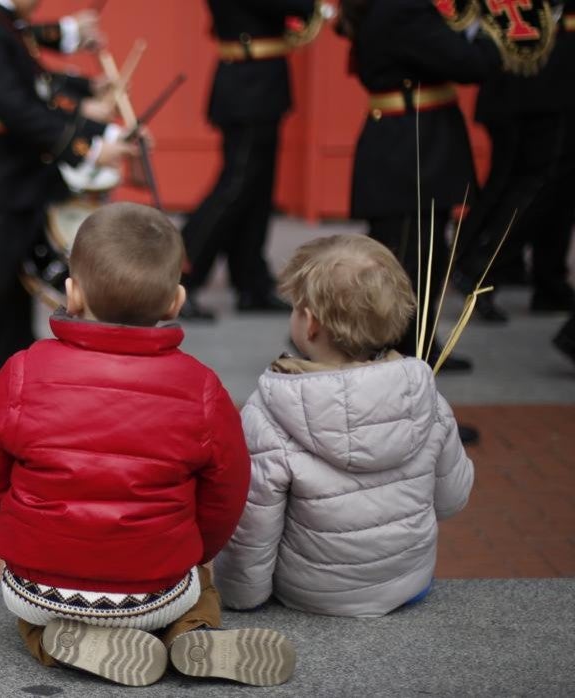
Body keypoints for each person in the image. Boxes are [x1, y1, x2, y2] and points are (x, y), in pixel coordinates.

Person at [0, 202, 294, 687]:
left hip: (43, 582)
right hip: (157, 587)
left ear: (71, 294)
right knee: (197, 585)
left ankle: (59, 642)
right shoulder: (201, 388)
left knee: (30, 613)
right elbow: (227, 490)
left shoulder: (21, 373)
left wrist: (10, 537)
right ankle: (188, 633)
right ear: (176, 301)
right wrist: (196, 550)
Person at [214, 234, 474, 617]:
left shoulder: (268, 411)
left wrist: (240, 597)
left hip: (312, 593)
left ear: (311, 323)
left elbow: (254, 527)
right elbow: (452, 499)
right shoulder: (425, 398)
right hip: (410, 582)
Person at [0, 0, 133, 385]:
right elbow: (17, 106)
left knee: (8, 315)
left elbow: (33, 86)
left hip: (6, 182)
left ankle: (9, 408)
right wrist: (88, 145)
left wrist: (92, 115)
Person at [338, 0, 502, 373]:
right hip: (412, 149)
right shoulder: (404, 9)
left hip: (409, 143)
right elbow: (468, 63)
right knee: (412, 261)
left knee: (418, 256)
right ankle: (409, 354)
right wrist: (489, 30)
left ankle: (418, 343)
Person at [179, 0, 319, 322]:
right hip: (249, 84)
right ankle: (180, 276)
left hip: (259, 80)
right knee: (236, 187)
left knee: (257, 190)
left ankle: (251, 280)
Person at [454, 10, 575, 323]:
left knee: (544, 183)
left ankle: (544, 279)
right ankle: (482, 267)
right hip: (543, 70)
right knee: (537, 183)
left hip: (537, 69)